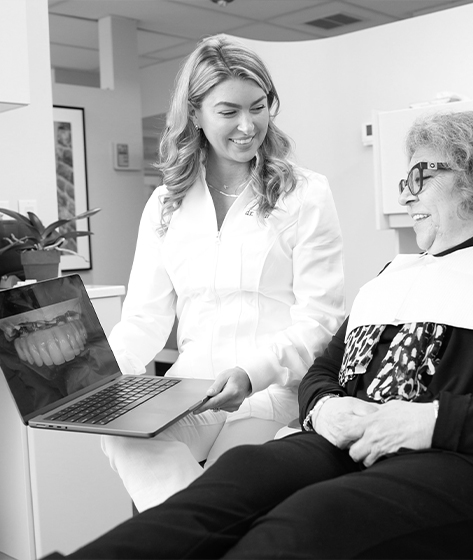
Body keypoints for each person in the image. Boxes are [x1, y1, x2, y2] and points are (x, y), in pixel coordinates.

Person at [56, 110, 473, 559]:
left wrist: (427, 421)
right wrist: (324, 405)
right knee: (230, 485)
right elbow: (326, 366)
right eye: (405, 182)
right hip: (341, 441)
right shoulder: (394, 276)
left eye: (420, 177)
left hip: (452, 452)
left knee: (310, 518)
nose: (406, 196)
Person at [102, 34, 345, 512]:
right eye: (228, 111)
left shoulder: (305, 194)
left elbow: (321, 322)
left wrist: (250, 374)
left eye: (258, 106)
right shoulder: (165, 203)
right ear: (195, 114)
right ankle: (188, 522)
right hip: (187, 392)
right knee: (117, 434)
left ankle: (183, 522)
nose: (247, 125)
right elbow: (143, 320)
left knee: (227, 483)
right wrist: (95, 377)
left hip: (267, 392)